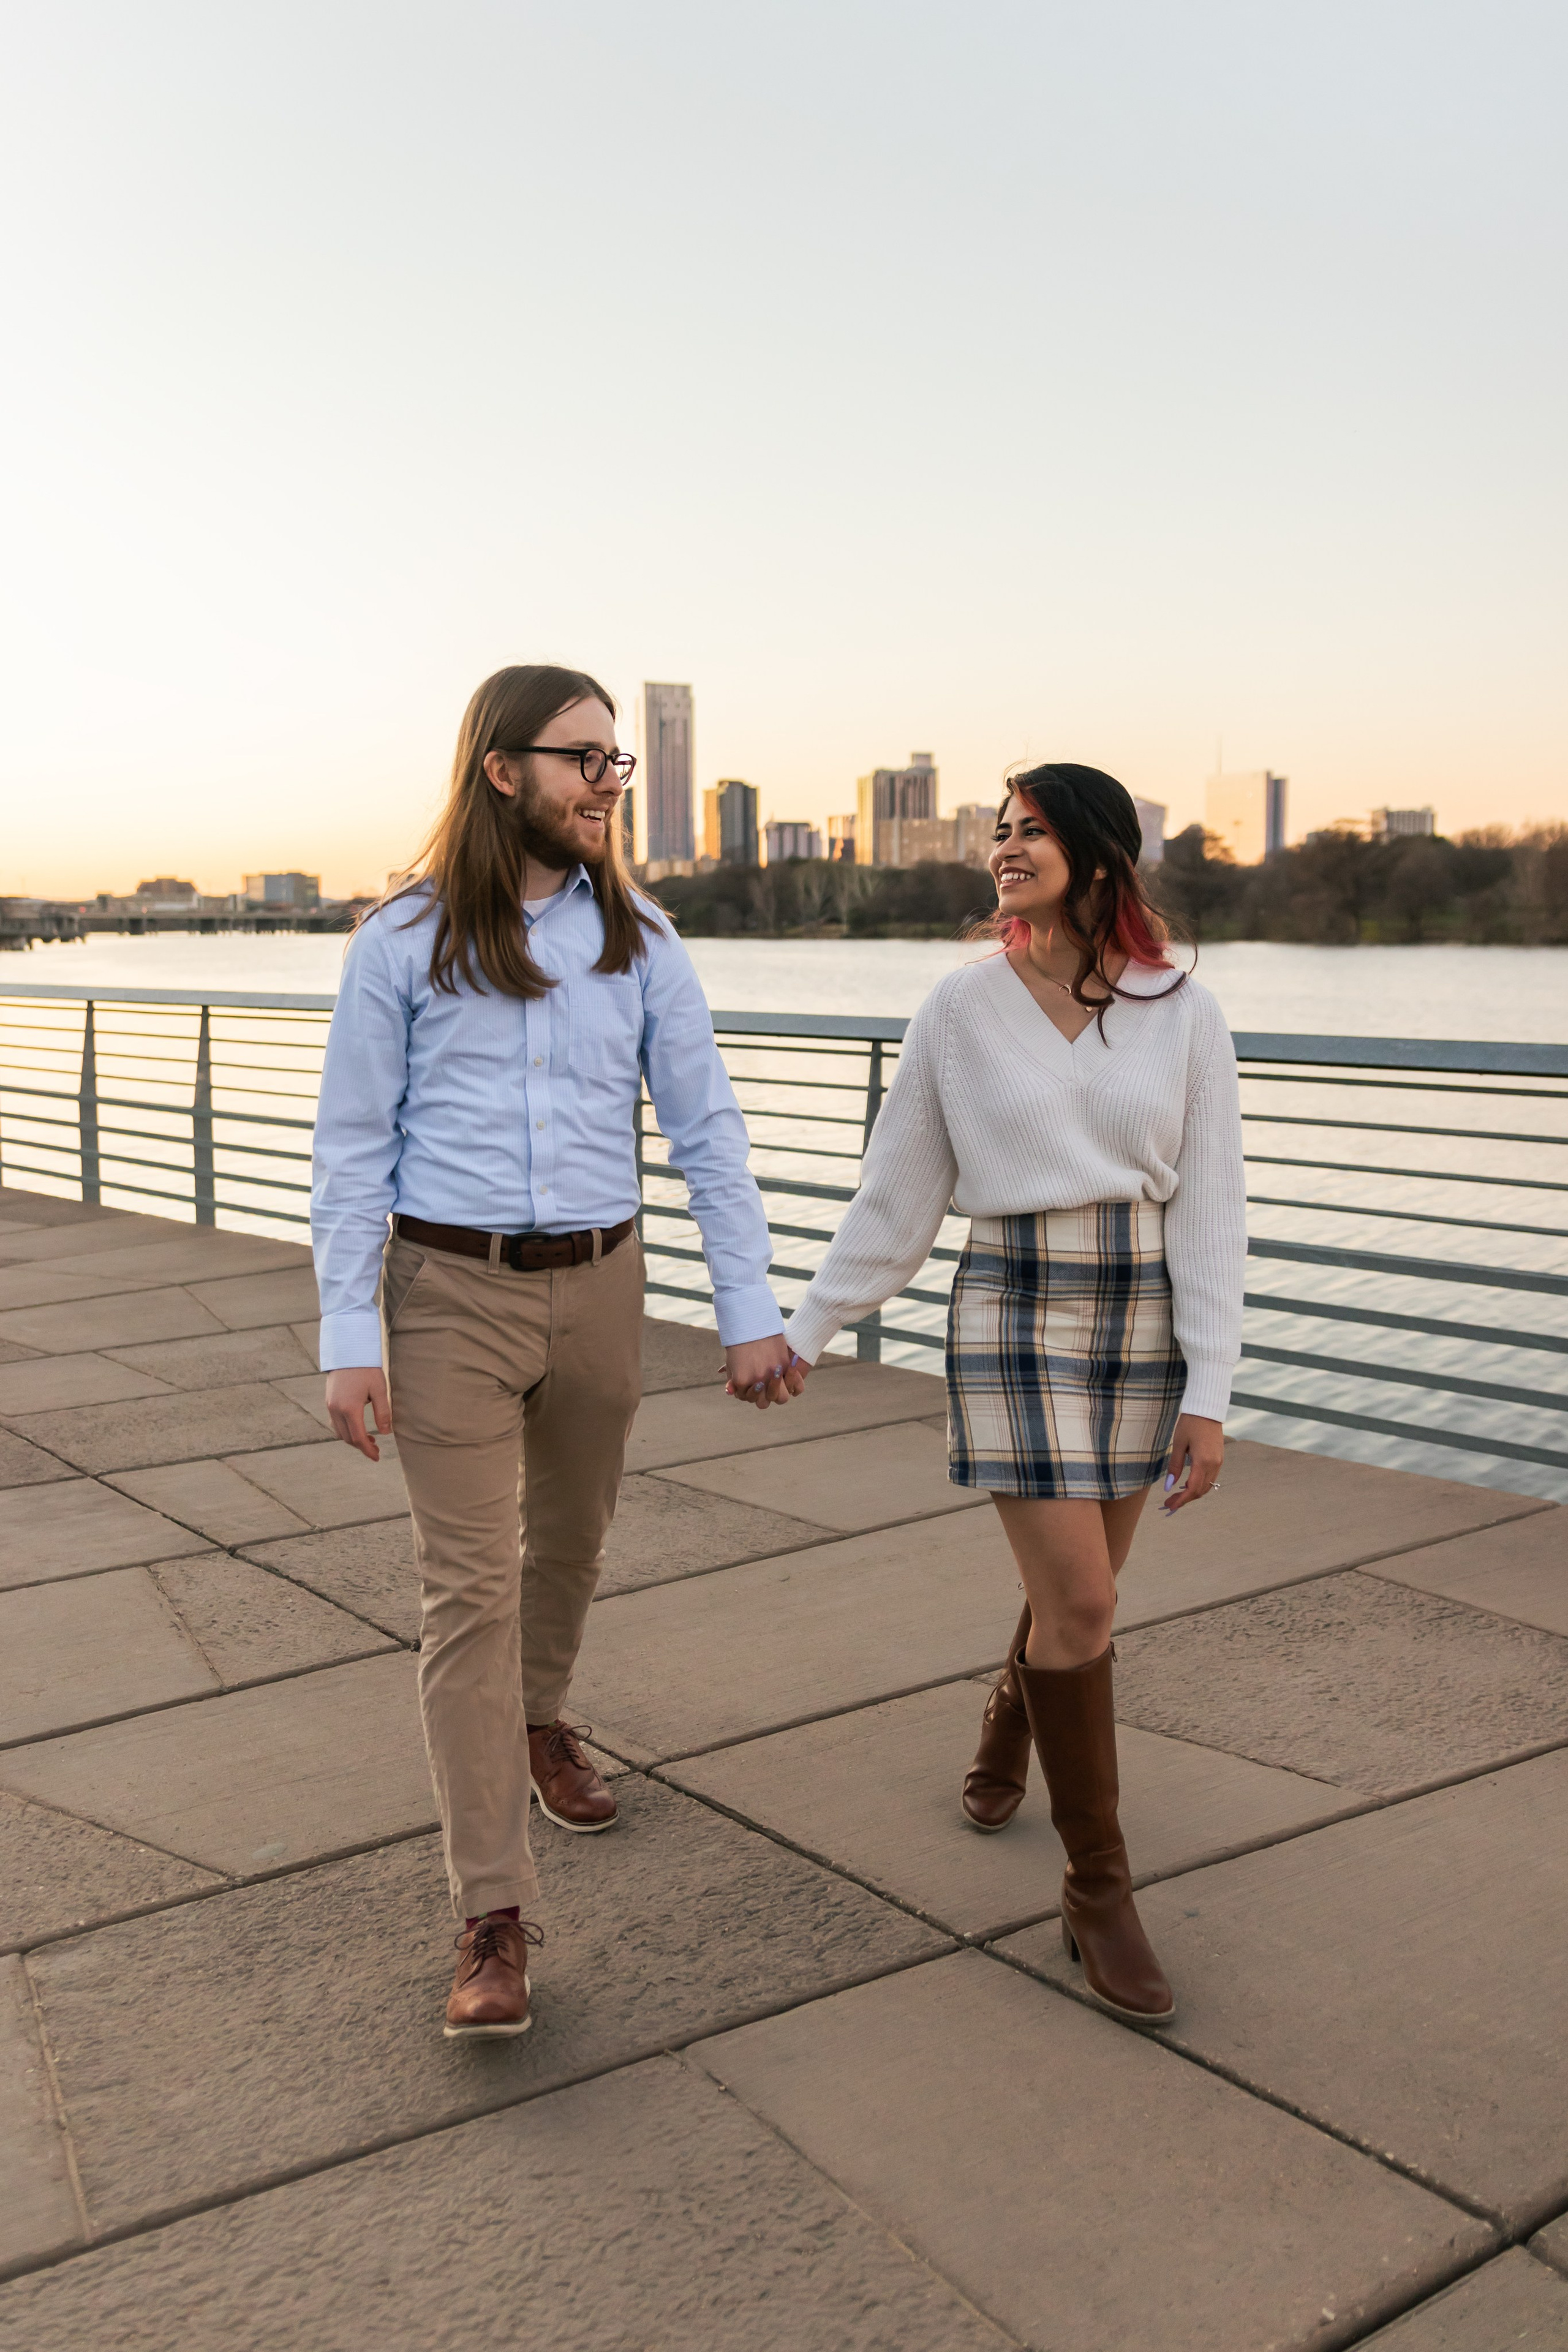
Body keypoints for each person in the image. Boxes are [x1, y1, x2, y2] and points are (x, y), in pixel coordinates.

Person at [312, 664, 790, 2041]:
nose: (606, 783)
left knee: (569, 1546)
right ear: (500, 769)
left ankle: (539, 1719)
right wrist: (350, 1335)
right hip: (445, 1292)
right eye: (583, 758)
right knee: (466, 1593)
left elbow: (707, 1131)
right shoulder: (399, 941)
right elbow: (350, 1148)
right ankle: (493, 1914)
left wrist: (748, 1308)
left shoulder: (642, 937)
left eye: (616, 761)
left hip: (602, 1285)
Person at [782, 764, 1246, 2022]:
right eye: (999, 831)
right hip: (1012, 1309)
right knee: (1084, 1600)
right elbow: (898, 1192)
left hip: (1142, 1312)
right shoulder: (959, 1007)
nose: (1005, 846)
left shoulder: (1181, 1010)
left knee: (1075, 1596)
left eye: (1032, 829)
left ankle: (1011, 1711)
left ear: (1099, 853)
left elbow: (1212, 1208)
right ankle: (1098, 1889)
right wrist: (810, 1325)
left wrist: (1208, 1389)